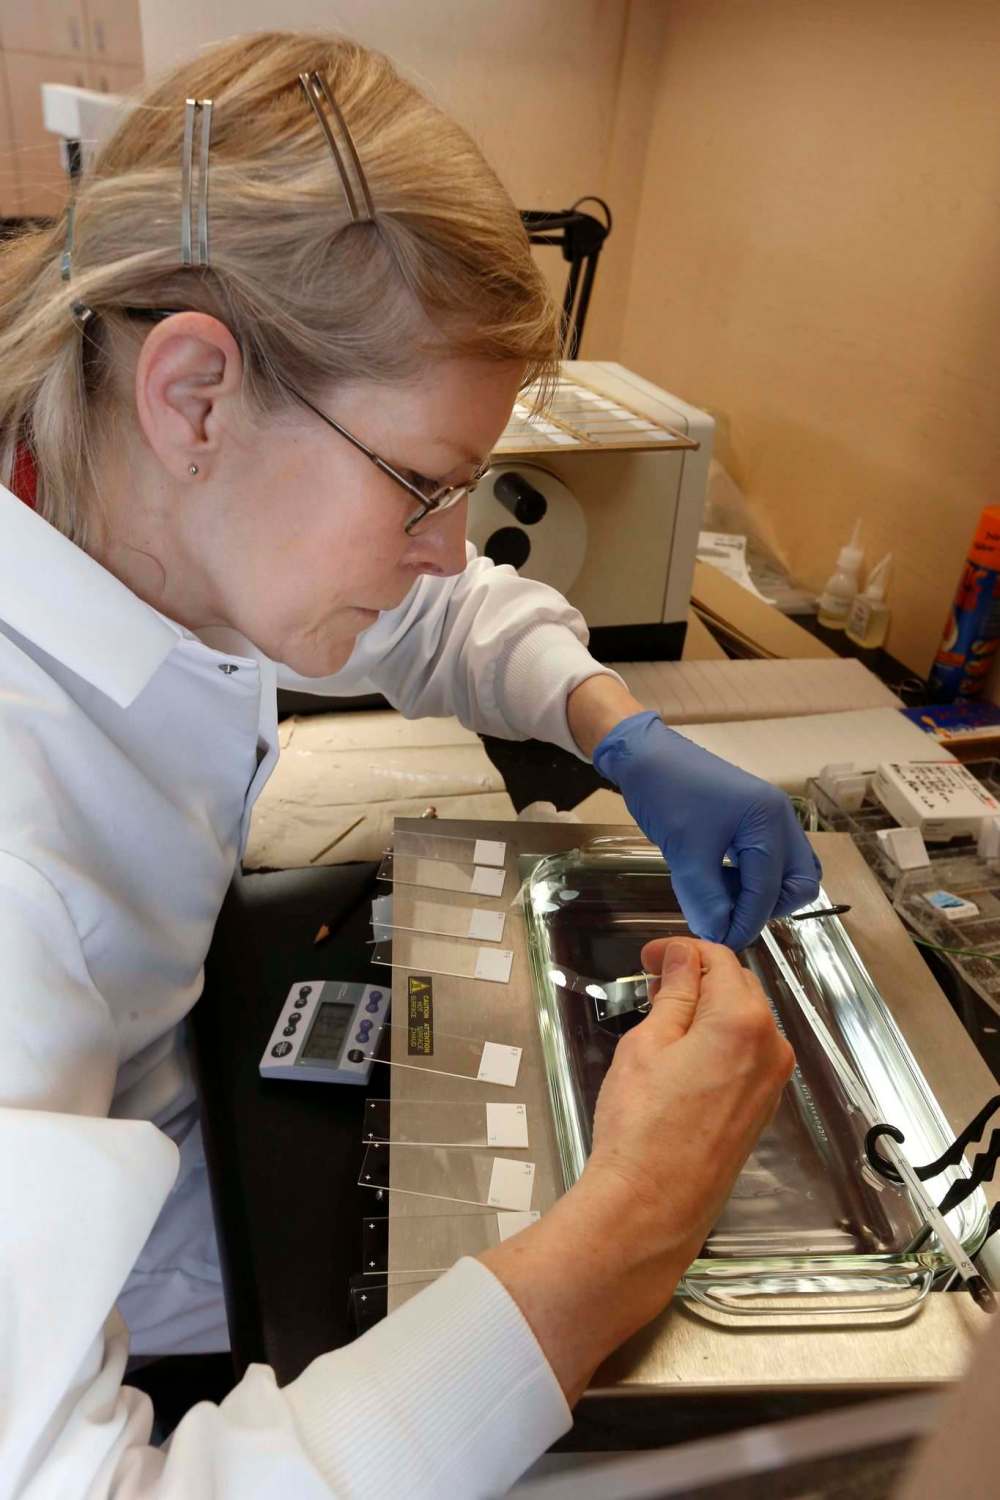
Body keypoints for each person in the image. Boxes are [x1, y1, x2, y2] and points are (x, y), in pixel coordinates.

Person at [0, 31, 814, 1497]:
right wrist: (631, 1224)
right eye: (423, 486)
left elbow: (436, 614)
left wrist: (609, 724)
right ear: (194, 395)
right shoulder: (13, 854)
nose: (450, 546)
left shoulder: (117, 506)